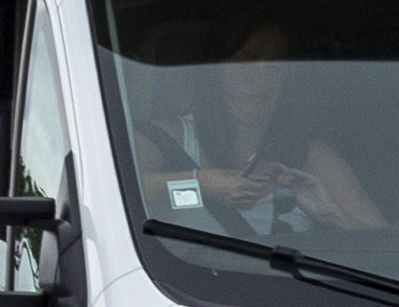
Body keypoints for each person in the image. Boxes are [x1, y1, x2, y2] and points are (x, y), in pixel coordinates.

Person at [150, 20, 384, 236]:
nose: (260, 79)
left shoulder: (310, 156)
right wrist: (202, 185)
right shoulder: (171, 137)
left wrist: (332, 216)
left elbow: (392, 248)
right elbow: (122, 191)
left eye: (274, 66)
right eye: (245, 63)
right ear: (215, 72)